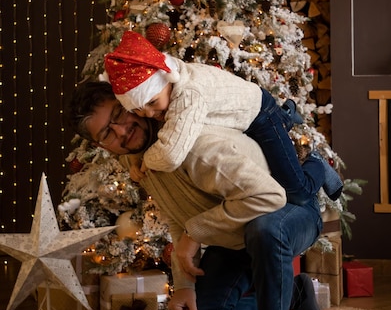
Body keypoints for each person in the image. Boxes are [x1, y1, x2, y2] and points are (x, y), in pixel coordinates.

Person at [67, 80, 326, 310]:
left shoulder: (194, 142)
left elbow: (269, 196)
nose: (121, 131)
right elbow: (177, 216)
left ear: (132, 103)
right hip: (235, 231)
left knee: (265, 228)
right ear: (101, 145)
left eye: (119, 114)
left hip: (290, 208)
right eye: (106, 133)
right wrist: (184, 285)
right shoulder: (140, 156)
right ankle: (293, 296)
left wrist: (194, 233)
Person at [103, 30, 343, 204]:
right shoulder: (166, 92)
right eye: (137, 111)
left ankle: (315, 163)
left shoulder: (188, 95)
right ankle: (287, 115)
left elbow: (170, 154)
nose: (148, 114)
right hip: (238, 112)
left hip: (260, 115)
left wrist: (145, 161)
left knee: (297, 191)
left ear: (167, 79)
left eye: (152, 103)